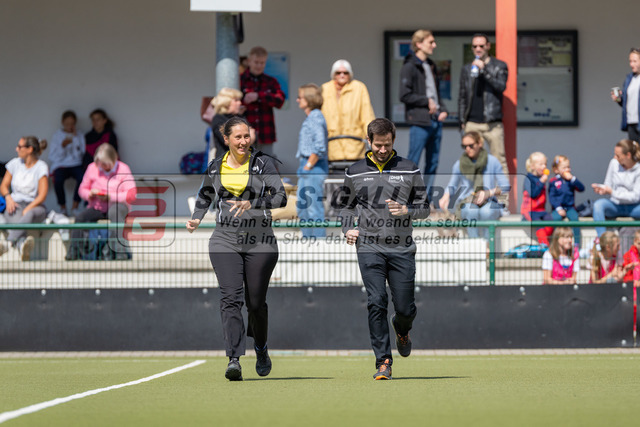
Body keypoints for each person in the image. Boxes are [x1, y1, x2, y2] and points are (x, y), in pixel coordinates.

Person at [186, 117, 287, 381]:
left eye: (246, 136)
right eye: (238, 137)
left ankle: (261, 348)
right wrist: (197, 216)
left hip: (260, 239)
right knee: (231, 299)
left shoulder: (263, 164)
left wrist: (252, 203)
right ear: (227, 139)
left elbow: (280, 196)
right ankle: (234, 359)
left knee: (255, 304)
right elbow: (205, 194)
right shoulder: (215, 166)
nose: (243, 141)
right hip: (225, 239)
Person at [337, 118, 430, 380]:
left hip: (401, 249)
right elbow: (345, 207)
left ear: (393, 141)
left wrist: (407, 209)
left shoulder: (409, 169)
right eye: (378, 145)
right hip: (369, 246)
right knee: (376, 302)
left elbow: (425, 208)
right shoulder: (354, 171)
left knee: (404, 309)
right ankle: (383, 361)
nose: (382, 150)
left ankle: (402, 330)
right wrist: (347, 229)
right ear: (369, 141)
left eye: (387, 145)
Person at [65, 143, 136, 261]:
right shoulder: (92, 167)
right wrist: (90, 194)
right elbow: (82, 189)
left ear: (113, 160)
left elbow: (131, 194)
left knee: (115, 213)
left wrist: (110, 197)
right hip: (97, 206)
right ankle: (74, 252)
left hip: (117, 206)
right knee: (81, 218)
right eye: (99, 164)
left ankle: (119, 252)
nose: (101, 167)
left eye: (105, 164)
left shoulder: (123, 168)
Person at [399, 29, 449, 194]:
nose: (434, 45)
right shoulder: (409, 66)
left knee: (432, 163)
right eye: (430, 42)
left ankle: (425, 200)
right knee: (413, 162)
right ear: (419, 44)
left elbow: (436, 93)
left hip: (436, 120)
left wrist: (442, 109)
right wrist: (425, 101)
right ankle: (409, 199)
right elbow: (404, 95)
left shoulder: (431, 65)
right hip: (419, 121)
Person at [438, 131, 509, 239]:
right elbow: (452, 185)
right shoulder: (459, 164)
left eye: (471, 145)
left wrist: (488, 193)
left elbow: (505, 186)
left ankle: (488, 247)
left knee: (487, 212)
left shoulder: (492, 161)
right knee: (470, 210)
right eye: (464, 146)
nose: (467, 149)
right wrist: (446, 196)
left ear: (479, 143)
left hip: (490, 200)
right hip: (468, 200)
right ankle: (475, 245)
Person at [458, 33, 509, 175]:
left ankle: (503, 197)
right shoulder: (467, 69)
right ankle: (474, 196)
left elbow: (501, 86)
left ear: (488, 46)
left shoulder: (499, 66)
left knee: (499, 161)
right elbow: (462, 96)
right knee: (472, 161)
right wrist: (462, 120)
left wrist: (484, 70)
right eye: (475, 46)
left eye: (481, 46)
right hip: (472, 123)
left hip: (492, 123)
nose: (478, 49)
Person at [0, 137, 49, 261]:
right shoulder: (14, 164)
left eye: (20, 146)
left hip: (35, 206)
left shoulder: (41, 167)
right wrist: (8, 198)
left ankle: (8, 244)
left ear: (29, 149)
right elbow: (4, 186)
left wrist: (29, 207)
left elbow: (42, 195)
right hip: (15, 203)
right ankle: (22, 245)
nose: (17, 149)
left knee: (29, 214)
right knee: (15, 215)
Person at [321, 59, 375, 162]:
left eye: (345, 73)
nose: (342, 75)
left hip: (354, 147)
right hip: (331, 147)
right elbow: (319, 116)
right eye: (338, 73)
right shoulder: (324, 89)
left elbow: (367, 115)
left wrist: (371, 137)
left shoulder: (359, 88)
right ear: (333, 74)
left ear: (350, 74)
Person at [296, 83, 328, 238]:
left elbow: (320, 147)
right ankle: (308, 241)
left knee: (313, 207)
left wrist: (308, 166)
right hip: (307, 166)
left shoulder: (315, 117)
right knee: (302, 208)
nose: (297, 100)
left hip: (313, 167)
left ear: (308, 99)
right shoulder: (311, 117)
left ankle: (319, 244)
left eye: (300, 97)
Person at [240, 46, 285, 156]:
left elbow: (280, 101)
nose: (259, 66)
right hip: (244, 135)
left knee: (265, 169)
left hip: (266, 134)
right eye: (256, 62)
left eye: (262, 63)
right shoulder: (239, 81)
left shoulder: (271, 82)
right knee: (245, 170)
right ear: (249, 61)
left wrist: (259, 96)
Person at [591, 139, 640, 237]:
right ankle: (602, 240)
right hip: (615, 205)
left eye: (618, 155)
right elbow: (608, 184)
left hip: (634, 207)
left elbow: (635, 196)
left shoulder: (638, 169)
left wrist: (612, 192)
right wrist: (603, 189)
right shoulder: (613, 163)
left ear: (628, 155)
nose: (615, 157)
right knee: (598, 205)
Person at [48, 110, 86, 216]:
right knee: (58, 179)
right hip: (61, 165)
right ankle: (63, 208)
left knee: (82, 178)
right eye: (67, 124)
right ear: (62, 122)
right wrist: (62, 146)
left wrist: (75, 138)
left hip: (76, 164)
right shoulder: (57, 136)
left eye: (72, 124)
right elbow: (52, 156)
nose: (69, 126)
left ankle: (75, 207)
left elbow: (80, 154)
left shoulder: (79, 135)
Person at [548, 155, 585, 246]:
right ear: (556, 170)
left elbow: (581, 188)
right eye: (564, 168)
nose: (567, 169)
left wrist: (573, 179)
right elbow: (552, 197)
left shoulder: (571, 180)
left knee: (574, 219)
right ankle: (555, 244)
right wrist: (558, 208)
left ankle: (576, 245)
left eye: (568, 167)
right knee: (555, 219)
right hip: (558, 208)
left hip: (570, 207)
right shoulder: (553, 181)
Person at [521, 152, 552, 245]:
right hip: (529, 210)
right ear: (532, 166)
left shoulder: (542, 178)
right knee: (540, 225)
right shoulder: (528, 178)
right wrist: (541, 181)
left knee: (551, 222)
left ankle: (545, 241)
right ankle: (544, 246)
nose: (544, 167)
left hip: (540, 210)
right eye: (541, 164)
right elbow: (533, 193)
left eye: (545, 164)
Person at [611, 48, 640, 142]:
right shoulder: (630, 79)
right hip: (631, 122)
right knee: (635, 153)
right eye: (630, 61)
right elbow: (627, 102)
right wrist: (618, 99)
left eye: (635, 61)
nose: (631, 64)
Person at [210, 87, 245, 162]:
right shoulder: (218, 119)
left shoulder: (241, 117)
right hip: (226, 162)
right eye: (236, 100)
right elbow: (228, 141)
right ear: (226, 103)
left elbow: (254, 136)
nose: (240, 103)